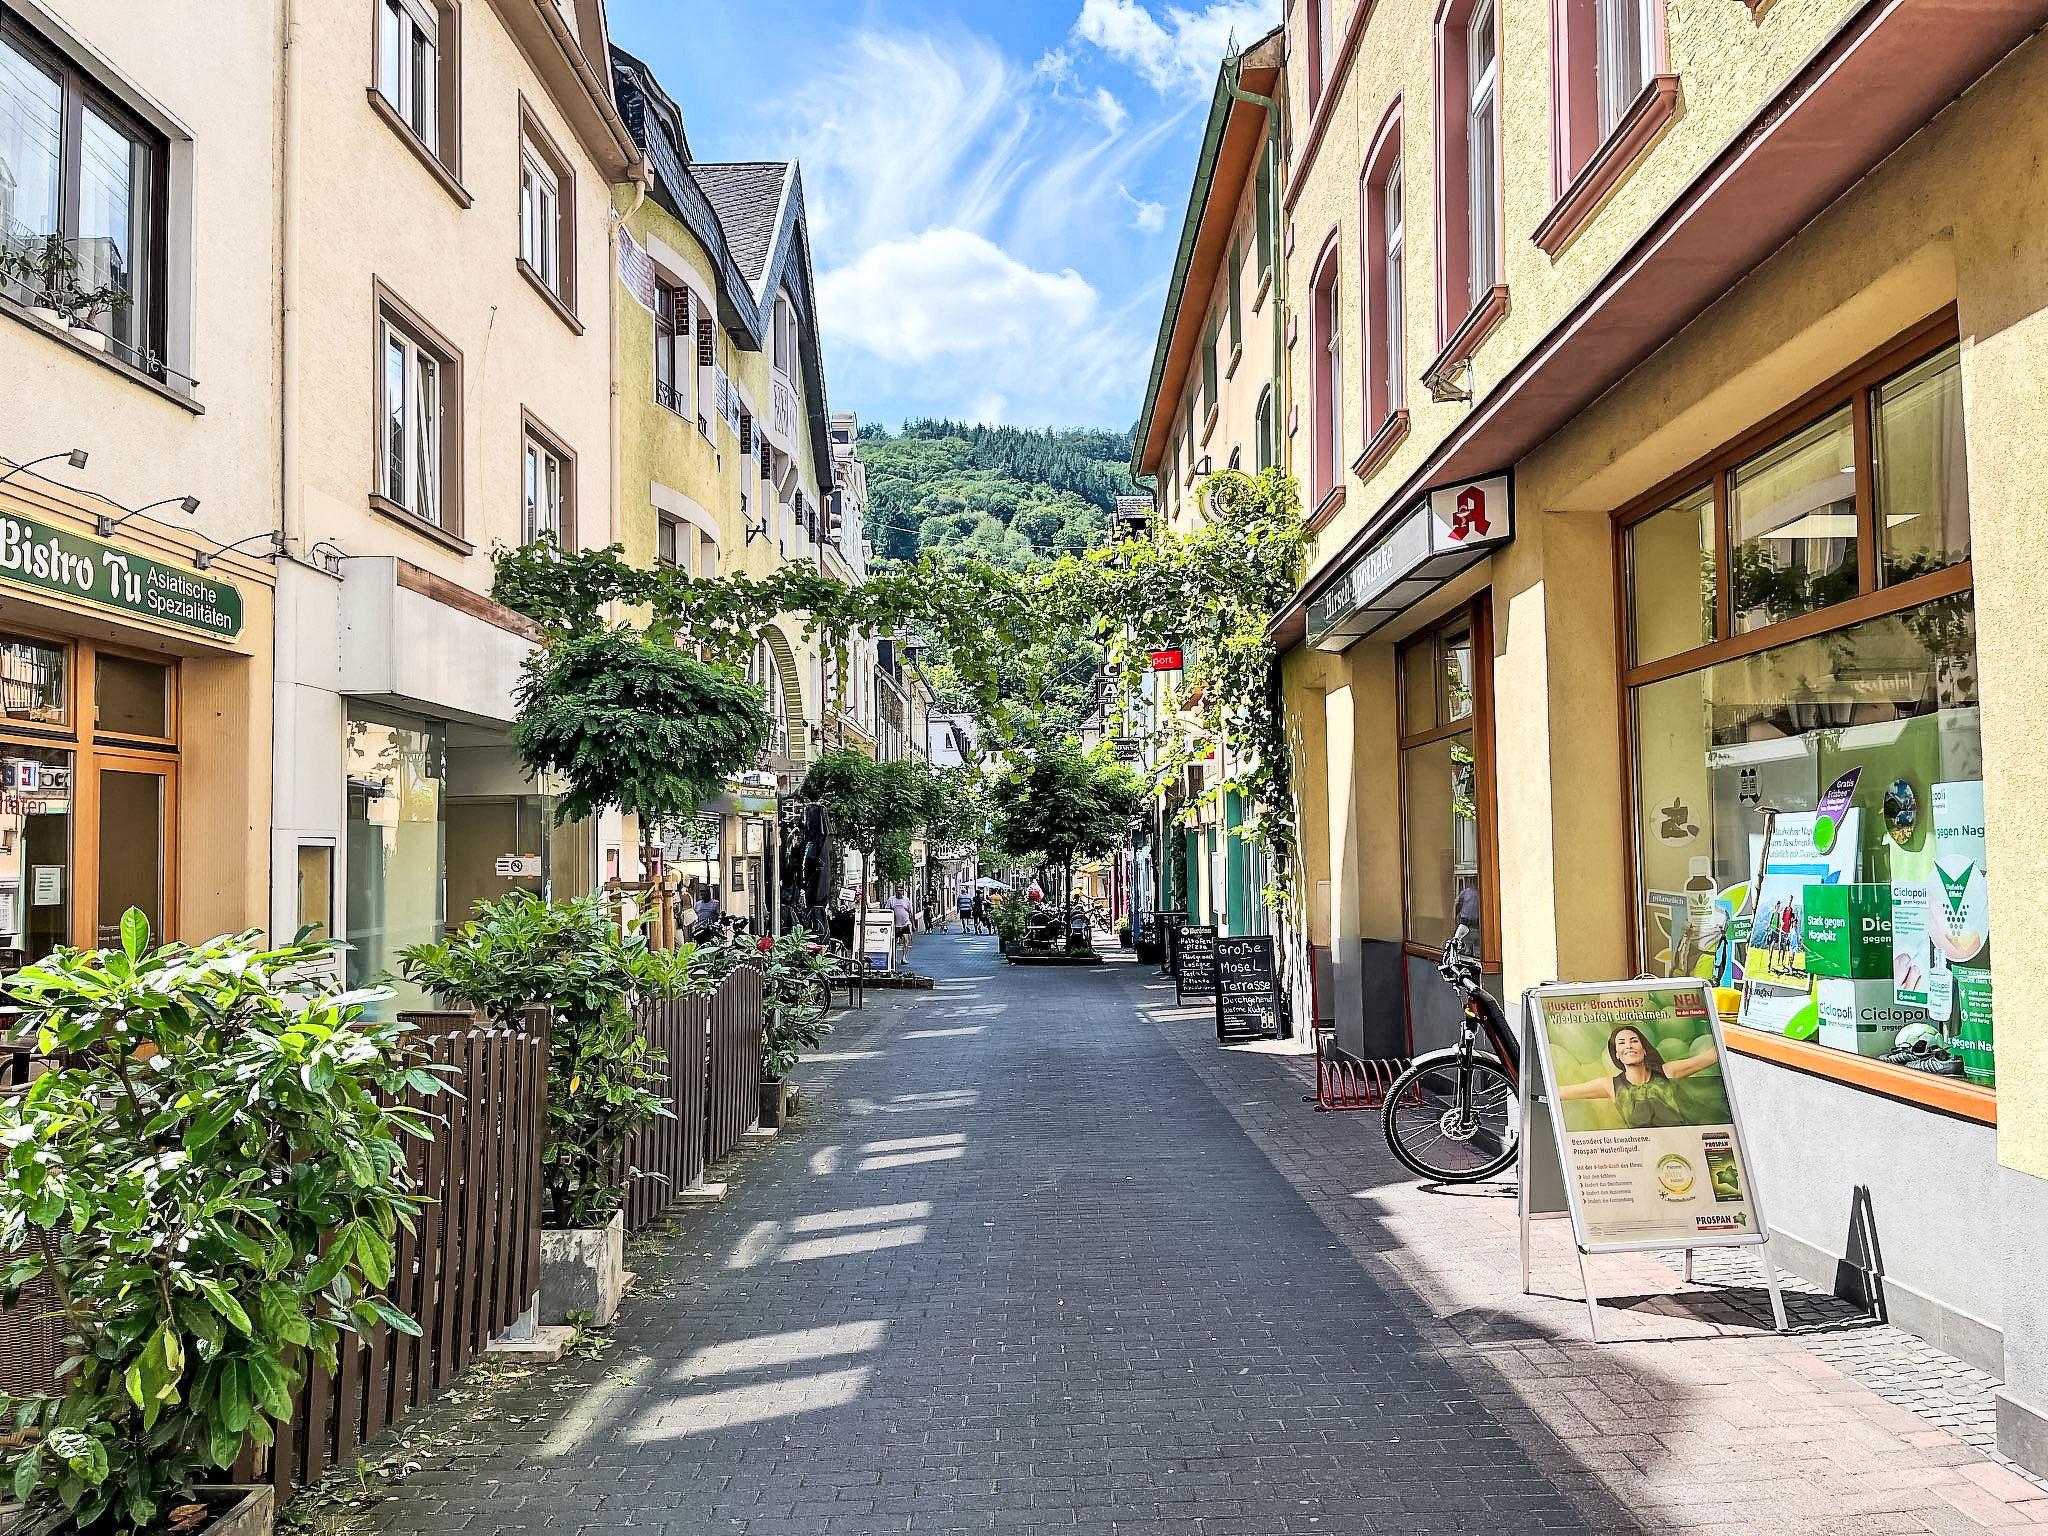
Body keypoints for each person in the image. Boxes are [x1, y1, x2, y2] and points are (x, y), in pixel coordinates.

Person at [1557, 1025, 1721, 1128]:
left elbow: (1710, 1057)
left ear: (1644, 1049)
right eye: (1621, 1043)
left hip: (1683, 1146)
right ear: (1617, 1055)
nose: (1629, 1046)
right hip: (1642, 1155)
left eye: (1634, 1041)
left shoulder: (1667, 1072)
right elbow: (1560, 1092)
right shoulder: (1610, 1086)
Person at [887, 885, 914, 963]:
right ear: (895, 891)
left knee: (906, 940)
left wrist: (913, 925)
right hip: (895, 925)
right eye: (897, 890)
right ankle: (894, 957)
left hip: (905, 924)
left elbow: (910, 913)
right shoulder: (891, 900)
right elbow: (887, 911)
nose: (899, 892)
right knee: (894, 942)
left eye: (901, 890)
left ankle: (904, 957)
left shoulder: (906, 900)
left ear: (903, 891)